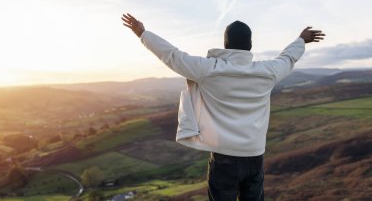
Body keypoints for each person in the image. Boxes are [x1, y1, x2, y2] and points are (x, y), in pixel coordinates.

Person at [121, 13, 325, 201]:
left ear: (226, 44)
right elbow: (287, 58)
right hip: (254, 156)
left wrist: (143, 34)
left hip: (223, 158)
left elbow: (173, 56)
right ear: (250, 44)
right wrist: (301, 40)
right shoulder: (267, 71)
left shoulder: (209, 69)